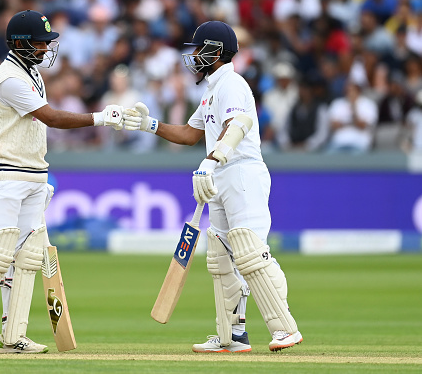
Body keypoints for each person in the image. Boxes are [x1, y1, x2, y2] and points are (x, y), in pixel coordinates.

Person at [0, 9, 130, 354]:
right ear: (19, 43)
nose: (46, 48)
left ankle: (13, 336)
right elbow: (50, 117)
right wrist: (101, 117)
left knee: (26, 256)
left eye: (48, 42)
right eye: (40, 42)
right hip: (4, 171)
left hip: (33, 172)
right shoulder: (8, 78)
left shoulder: (31, 73)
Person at [123, 21, 303, 353]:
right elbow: (191, 135)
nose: (192, 56)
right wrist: (149, 125)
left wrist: (211, 161)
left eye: (197, 50)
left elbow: (237, 126)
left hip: (241, 173)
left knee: (250, 253)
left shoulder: (232, 84)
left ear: (215, 52)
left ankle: (284, 328)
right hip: (220, 174)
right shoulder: (211, 91)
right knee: (222, 257)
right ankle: (231, 335)